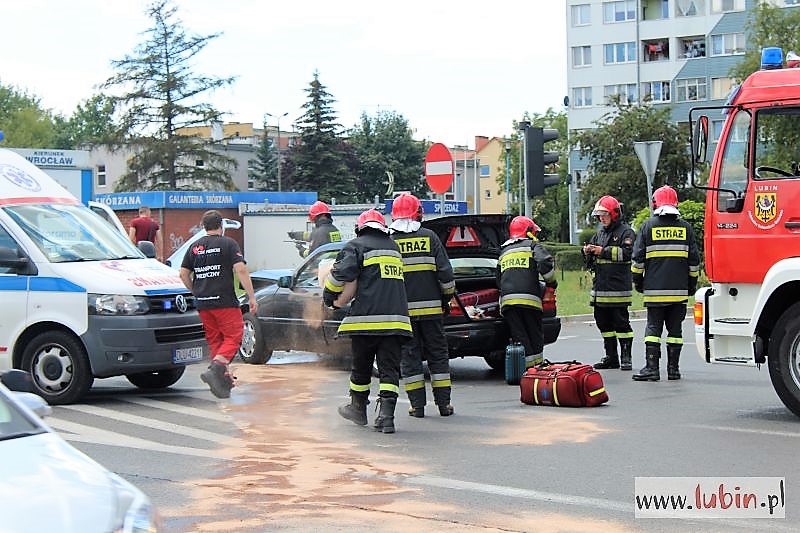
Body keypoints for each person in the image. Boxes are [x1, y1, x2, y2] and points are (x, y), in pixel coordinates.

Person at [322, 208, 412, 434]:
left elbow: (341, 276)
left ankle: (358, 408)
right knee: (389, 370)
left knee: (361, 368)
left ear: (359, 228)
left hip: (366, 321)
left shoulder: (356, 246)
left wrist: (329, 297)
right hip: (395, 322)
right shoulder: (394, 249)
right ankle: (386, 417)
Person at [389, 193, 456, 418]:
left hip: (403, 314)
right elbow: (446, 275)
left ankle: (417, 407)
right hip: (432, 313)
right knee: (438, 355)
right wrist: (447, 298)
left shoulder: (389, 241)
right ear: (418, 213)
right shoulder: (430, 237)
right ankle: (444, 405)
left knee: (410, 358)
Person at [179, 210, 257, 398]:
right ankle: (216, 368)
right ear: (221, 226)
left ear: (203, 226)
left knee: (216, 340)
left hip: (203, 302)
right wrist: (252, 296)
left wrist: (195, 290)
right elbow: (241, 269)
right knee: (234, 336)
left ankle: (222, 381)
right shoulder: (228, 244)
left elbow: (183, 273)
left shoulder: (194, 246)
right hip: (224, 301)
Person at [631, 185, 700, 382]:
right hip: (679, 293)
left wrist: (638, 283)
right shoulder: (685, 228)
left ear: (655, 203)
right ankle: (673, 370)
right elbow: (694, 262)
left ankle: (652, 369)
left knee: (653, 328)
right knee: (675, 331)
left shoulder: (647, 227)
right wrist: (691, 285)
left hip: (654, 291)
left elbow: (637, 261)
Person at [496, 216, 557, 370]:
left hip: (508, 303)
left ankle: (527, 370)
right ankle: (538, 369)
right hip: (529, 301)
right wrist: (551, 283)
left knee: (520, 336)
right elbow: (544, 262)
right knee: (534, 334)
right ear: (528, 231)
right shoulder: (532, 245)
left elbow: (498, 278)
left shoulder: (504, 251)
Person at [583, 195, 636, 371]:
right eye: (599, 215)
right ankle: (611, 357)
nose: (601, 218)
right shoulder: (599, 234)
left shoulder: (626, 232)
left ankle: (626, 358)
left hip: (618, 289)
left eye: (604, 214)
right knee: (604, 324)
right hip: (600, 290)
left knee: (622, 325)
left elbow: (627, 254)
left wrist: (602, 251)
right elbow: (591, 260)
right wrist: (587, 252)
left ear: (614, 214)